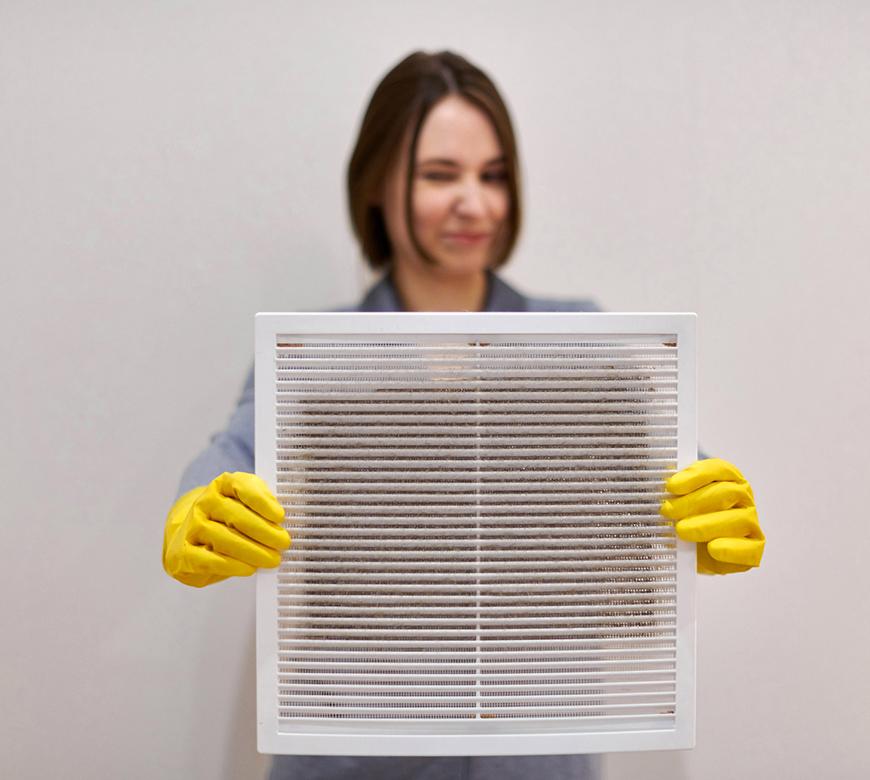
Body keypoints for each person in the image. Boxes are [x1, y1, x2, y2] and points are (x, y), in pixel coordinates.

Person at [163, 50, 766, 780]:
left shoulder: (581, 347)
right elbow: (236, 447)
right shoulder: (313, 359)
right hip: (355, 759)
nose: (474, 203)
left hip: (539, 759)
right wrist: (202, 501)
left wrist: (702, 511)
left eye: (495, 175)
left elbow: (667, 476)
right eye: (440, 174)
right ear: (378, 184)